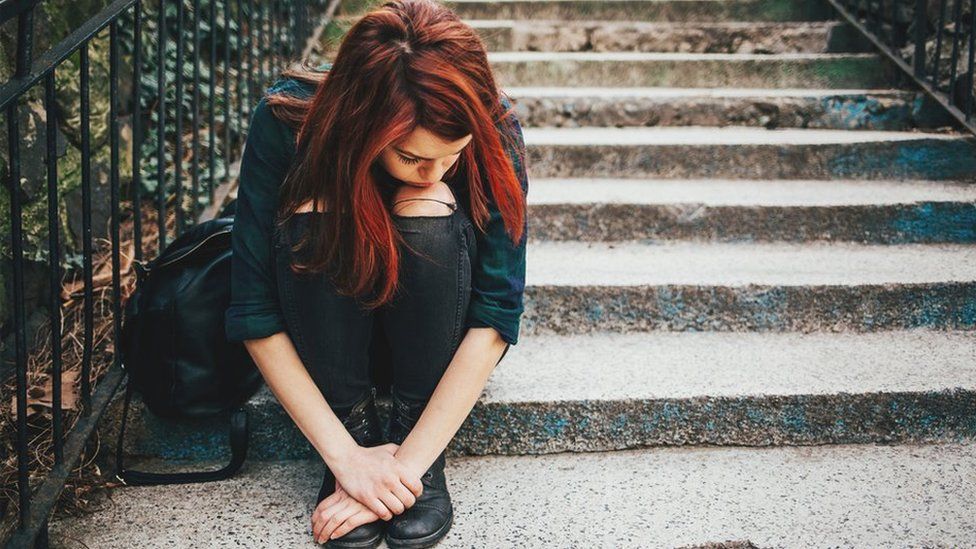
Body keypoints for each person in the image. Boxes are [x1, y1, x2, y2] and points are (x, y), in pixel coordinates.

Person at [224, 0, 528, 546]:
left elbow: (496, 311)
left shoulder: (494, 121)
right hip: (324, 336)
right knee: (319, 208)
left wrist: (407, 469)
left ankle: (409, 427)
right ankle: (357, 424)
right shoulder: (288, 120)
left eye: (452, 154)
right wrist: (349, 460)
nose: (436, 170)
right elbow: (254, 309)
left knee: (426, 206)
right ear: (364, 124)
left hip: (439, 344)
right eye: (412, 156)